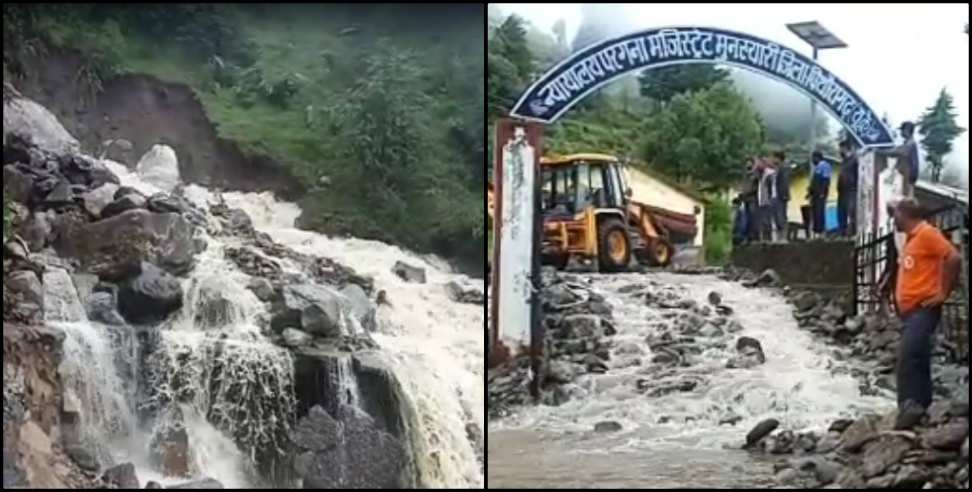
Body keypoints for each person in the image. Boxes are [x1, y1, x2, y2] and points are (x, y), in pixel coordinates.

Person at [885, 198, 961, 411]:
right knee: (917, 356)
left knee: (909, 358)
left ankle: (910, 407)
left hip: (923, 309)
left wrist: (943, 292)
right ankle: (921, 406)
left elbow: (953, 257)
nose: (893, 219)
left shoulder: (927, 233)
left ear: (905, 215)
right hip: (912, 311)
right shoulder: (912, 238)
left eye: (896, 214)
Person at [877, 121, 921, 198]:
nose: (901, 132)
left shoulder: (910, 144)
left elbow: (897, 151)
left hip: (907, 177)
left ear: (906, 131)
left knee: (904, 199)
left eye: (902, 130)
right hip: (905, 176)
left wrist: (879, 151)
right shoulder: (908, 144)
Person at [836, 140, 859, 237]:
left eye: (841, 148)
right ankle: (843, 233)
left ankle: (852, 233)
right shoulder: (843, 161)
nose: (840, 150)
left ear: (846, 148)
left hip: (851, 190)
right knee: (841, 212)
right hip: (842, 191)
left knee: (851, 212)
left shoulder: (855, 160)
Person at [809, 151, 831, 238]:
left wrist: (822, 192)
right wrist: (810, 192)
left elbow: (826, 180)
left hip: (820, 194)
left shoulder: (824, 165)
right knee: (815, 212)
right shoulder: (817, 167)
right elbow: (814, 182)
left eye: (813, 158)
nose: (812, 160)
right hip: (815, 194)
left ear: (817, 157)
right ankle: (816, 232)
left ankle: (821, 232)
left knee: (819, 212)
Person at [769, 151, 790, 243]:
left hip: (781, 196)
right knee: (775, 217)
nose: (772, 159)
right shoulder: (774, 169)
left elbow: (785, 183)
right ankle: (778, 237)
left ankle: (783, 237)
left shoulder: (784, 168)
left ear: (778, 158)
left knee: (781, 217)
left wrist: (785, 195)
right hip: (773, 196)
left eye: (774, 157)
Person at [755, 157, 777, 242]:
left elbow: (772, 188)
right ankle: (765, 238)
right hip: (762, 201)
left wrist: (770, 199)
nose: (757, 165)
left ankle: (768, 239)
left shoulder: (769, 174)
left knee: (767, 221)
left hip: (768, 201)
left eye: (759, 163)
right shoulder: (762, 174)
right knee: (763, 221)